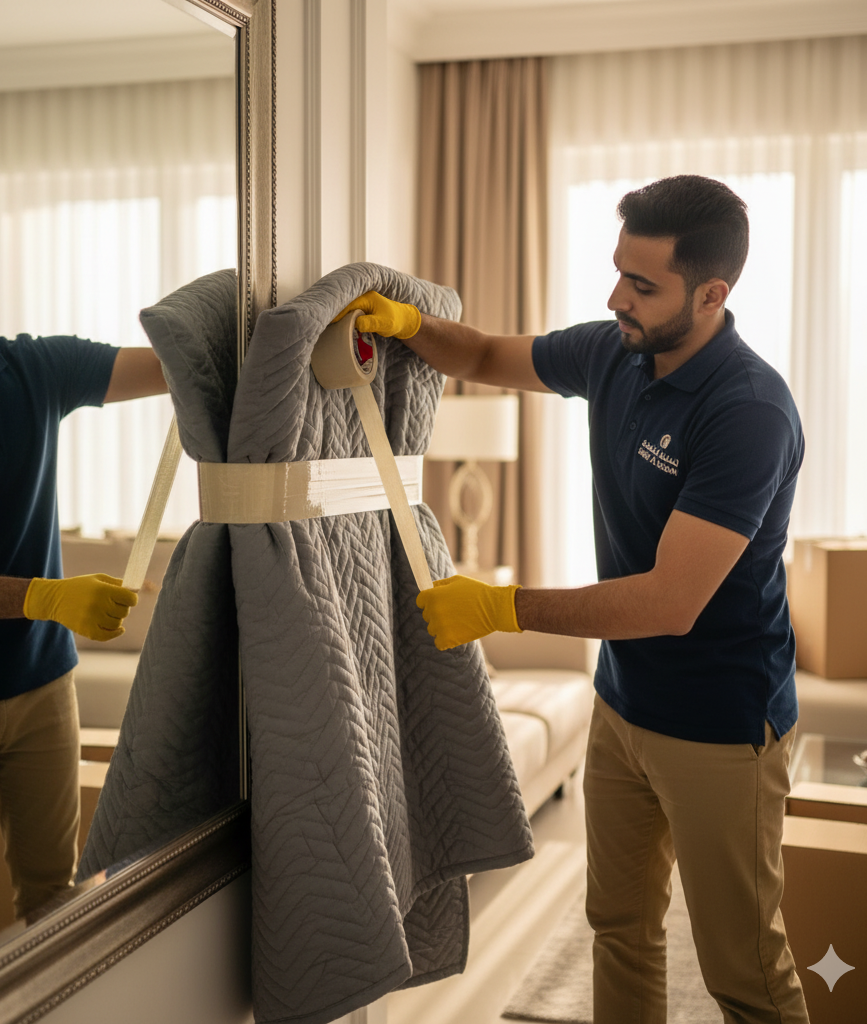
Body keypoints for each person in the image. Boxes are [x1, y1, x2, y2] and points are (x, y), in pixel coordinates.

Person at [336, 176, 809, 1024]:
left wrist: (502, 607)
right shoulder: (613, 351)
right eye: (618, 271)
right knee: (619, 928)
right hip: (623, 705)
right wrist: (411, 326)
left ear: (712, 294)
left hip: (721, 725)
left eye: (642, 284)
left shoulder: (748, 411)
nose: (615, 296)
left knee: (742, 967)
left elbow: (671, 601)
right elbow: (482, 355)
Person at [0, 201, 169, 920]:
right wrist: (48, 598)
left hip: (44, 687)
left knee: (55, 901)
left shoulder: (33, 367)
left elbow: (169, 368)